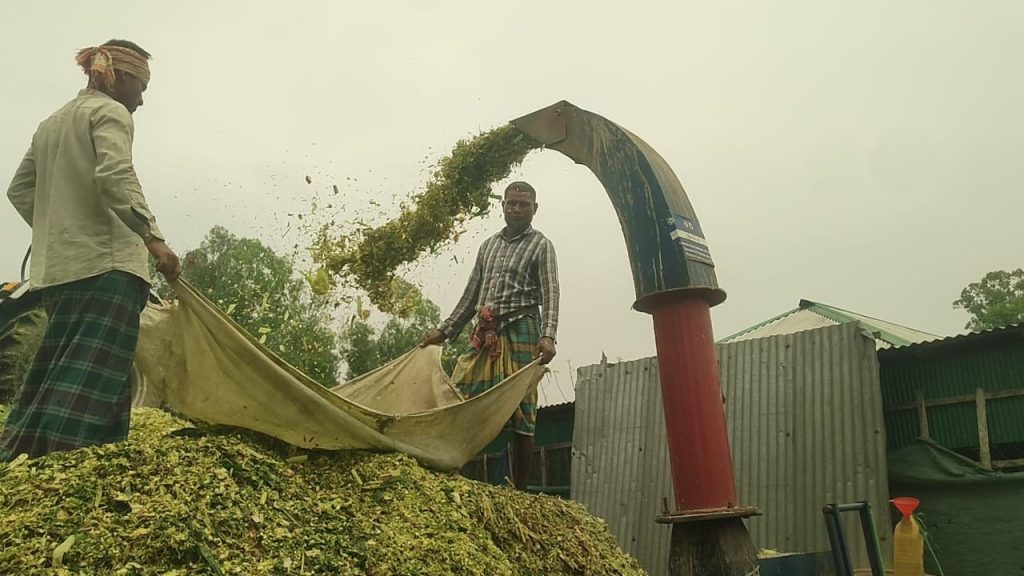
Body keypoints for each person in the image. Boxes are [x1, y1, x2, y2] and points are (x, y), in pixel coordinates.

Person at [1, 39, 180, 460]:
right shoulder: (110, 112)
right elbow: (116, 174)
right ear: (119, 78)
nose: (142, 99)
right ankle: (67, 462)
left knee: (61, 366)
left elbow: (19, 189)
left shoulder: (53, 122)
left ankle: (31, 457)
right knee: (91, 384)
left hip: (60, 273)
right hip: (109, 271)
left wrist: (62, 229)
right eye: (141, 86)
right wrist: (153, 239)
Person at [421, 181, 559, 490]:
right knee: (461, 392)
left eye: (524, 205)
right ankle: (450, 471)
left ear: (534, 210)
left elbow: (551, 293)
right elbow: (471, 296)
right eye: (512, 203)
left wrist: (548, 336)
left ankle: (520, 487)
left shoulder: (541, 245)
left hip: (522, 327)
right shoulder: (488, 246)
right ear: (503, 207)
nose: (517, 209)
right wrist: (445, 330)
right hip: (485, 332)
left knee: (522, 406)